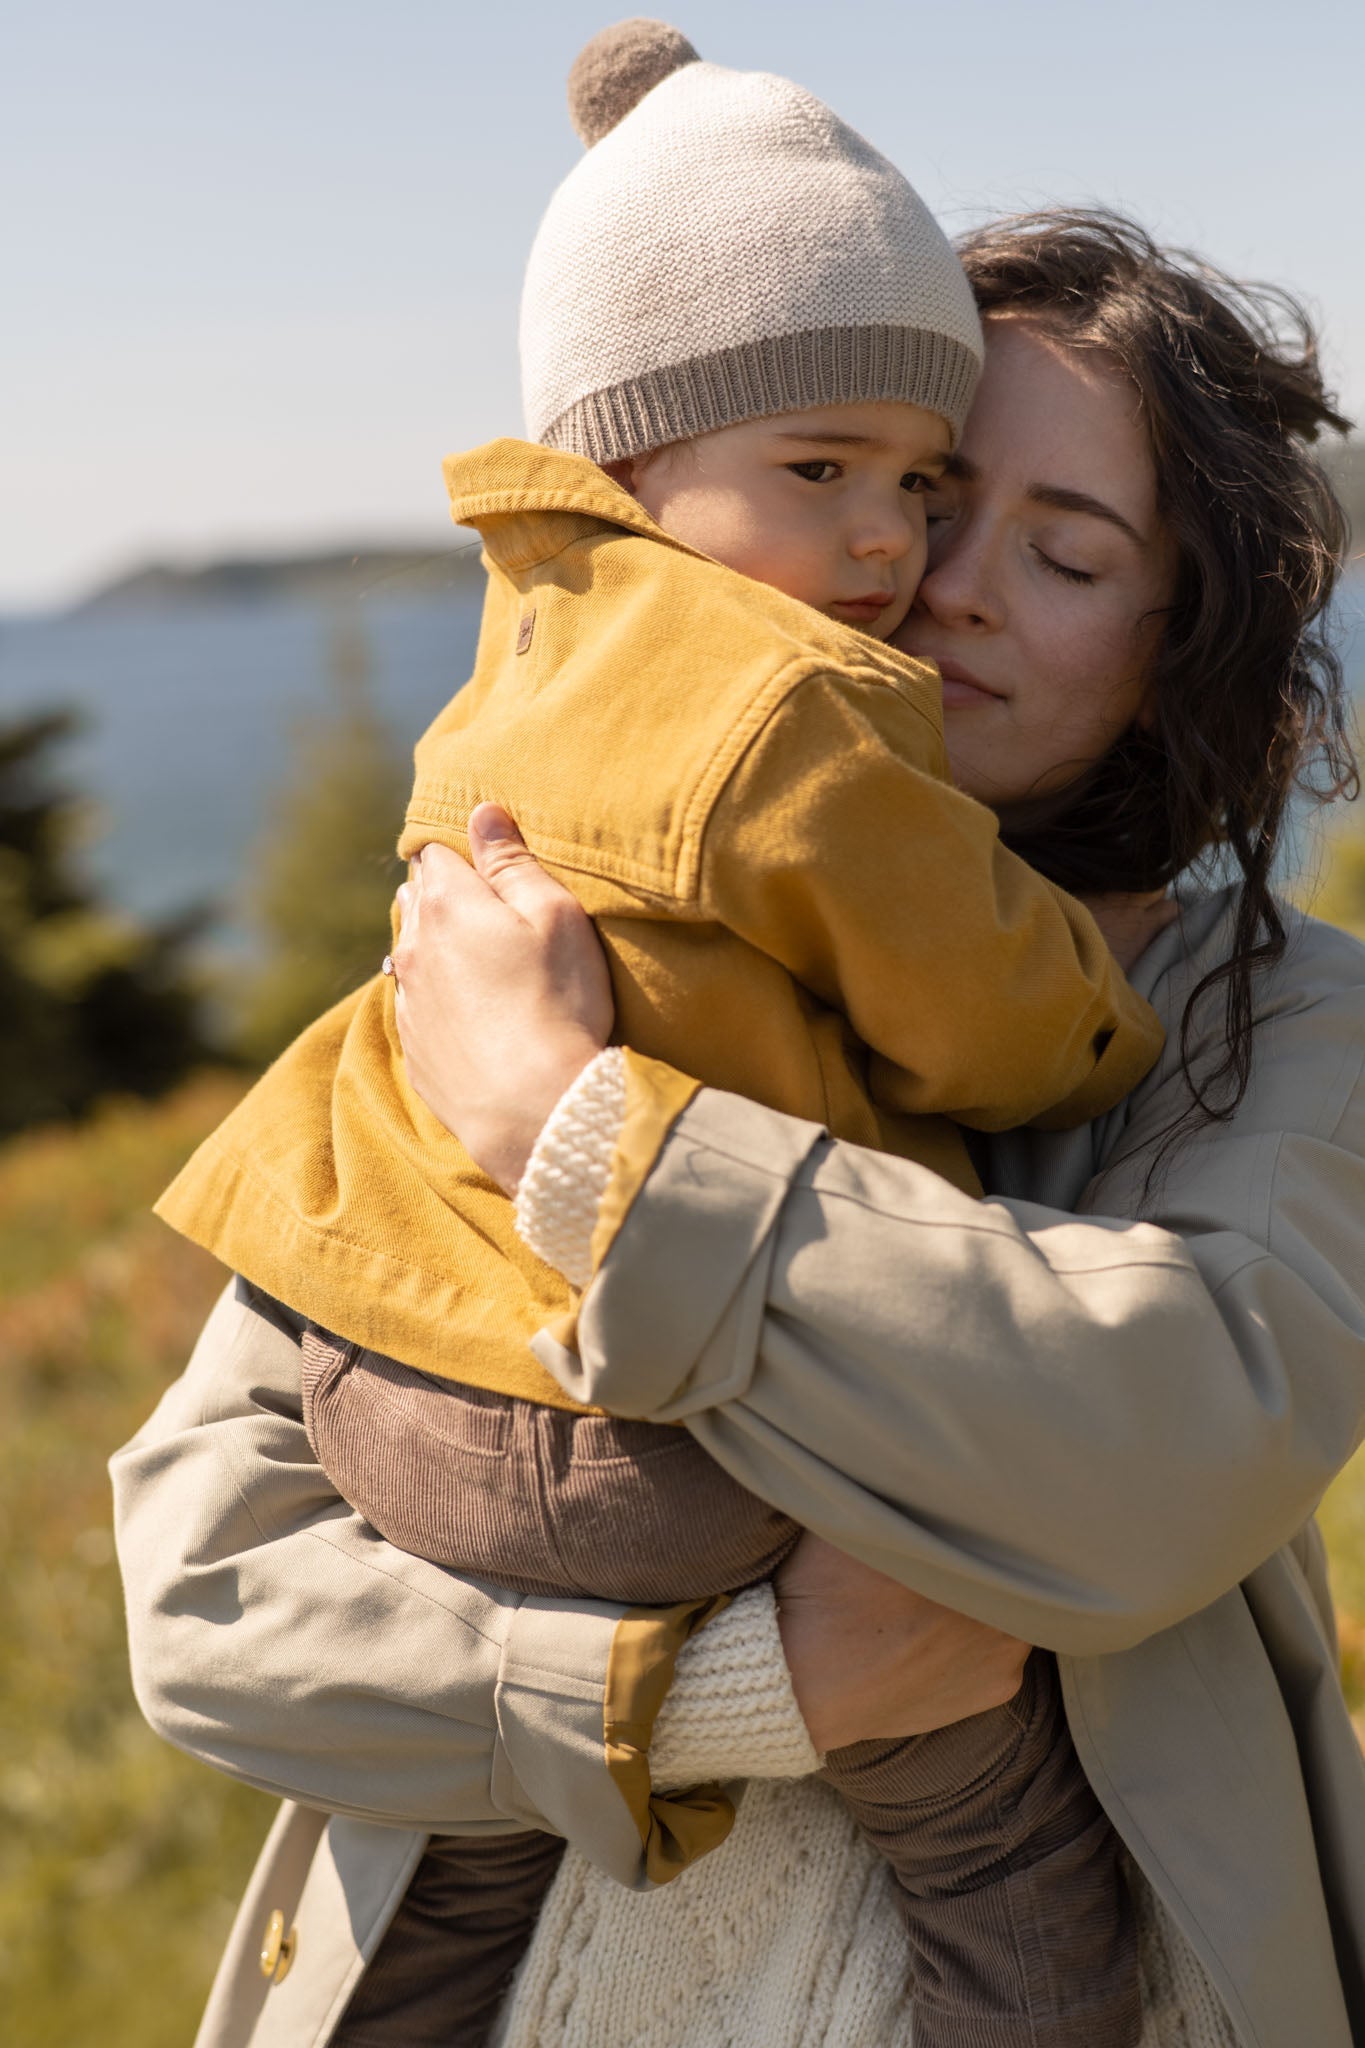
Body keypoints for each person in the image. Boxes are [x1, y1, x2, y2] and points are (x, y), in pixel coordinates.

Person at [110, 207, 1364, 2048]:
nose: (938, 581)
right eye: (926, 490)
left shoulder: (1270, 1020)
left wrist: (575, 1127)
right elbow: (213, 1599)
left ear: (1186, 643)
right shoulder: (539, 916)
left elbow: (1147, 1458)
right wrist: (722, 1695)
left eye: (1069, 553)